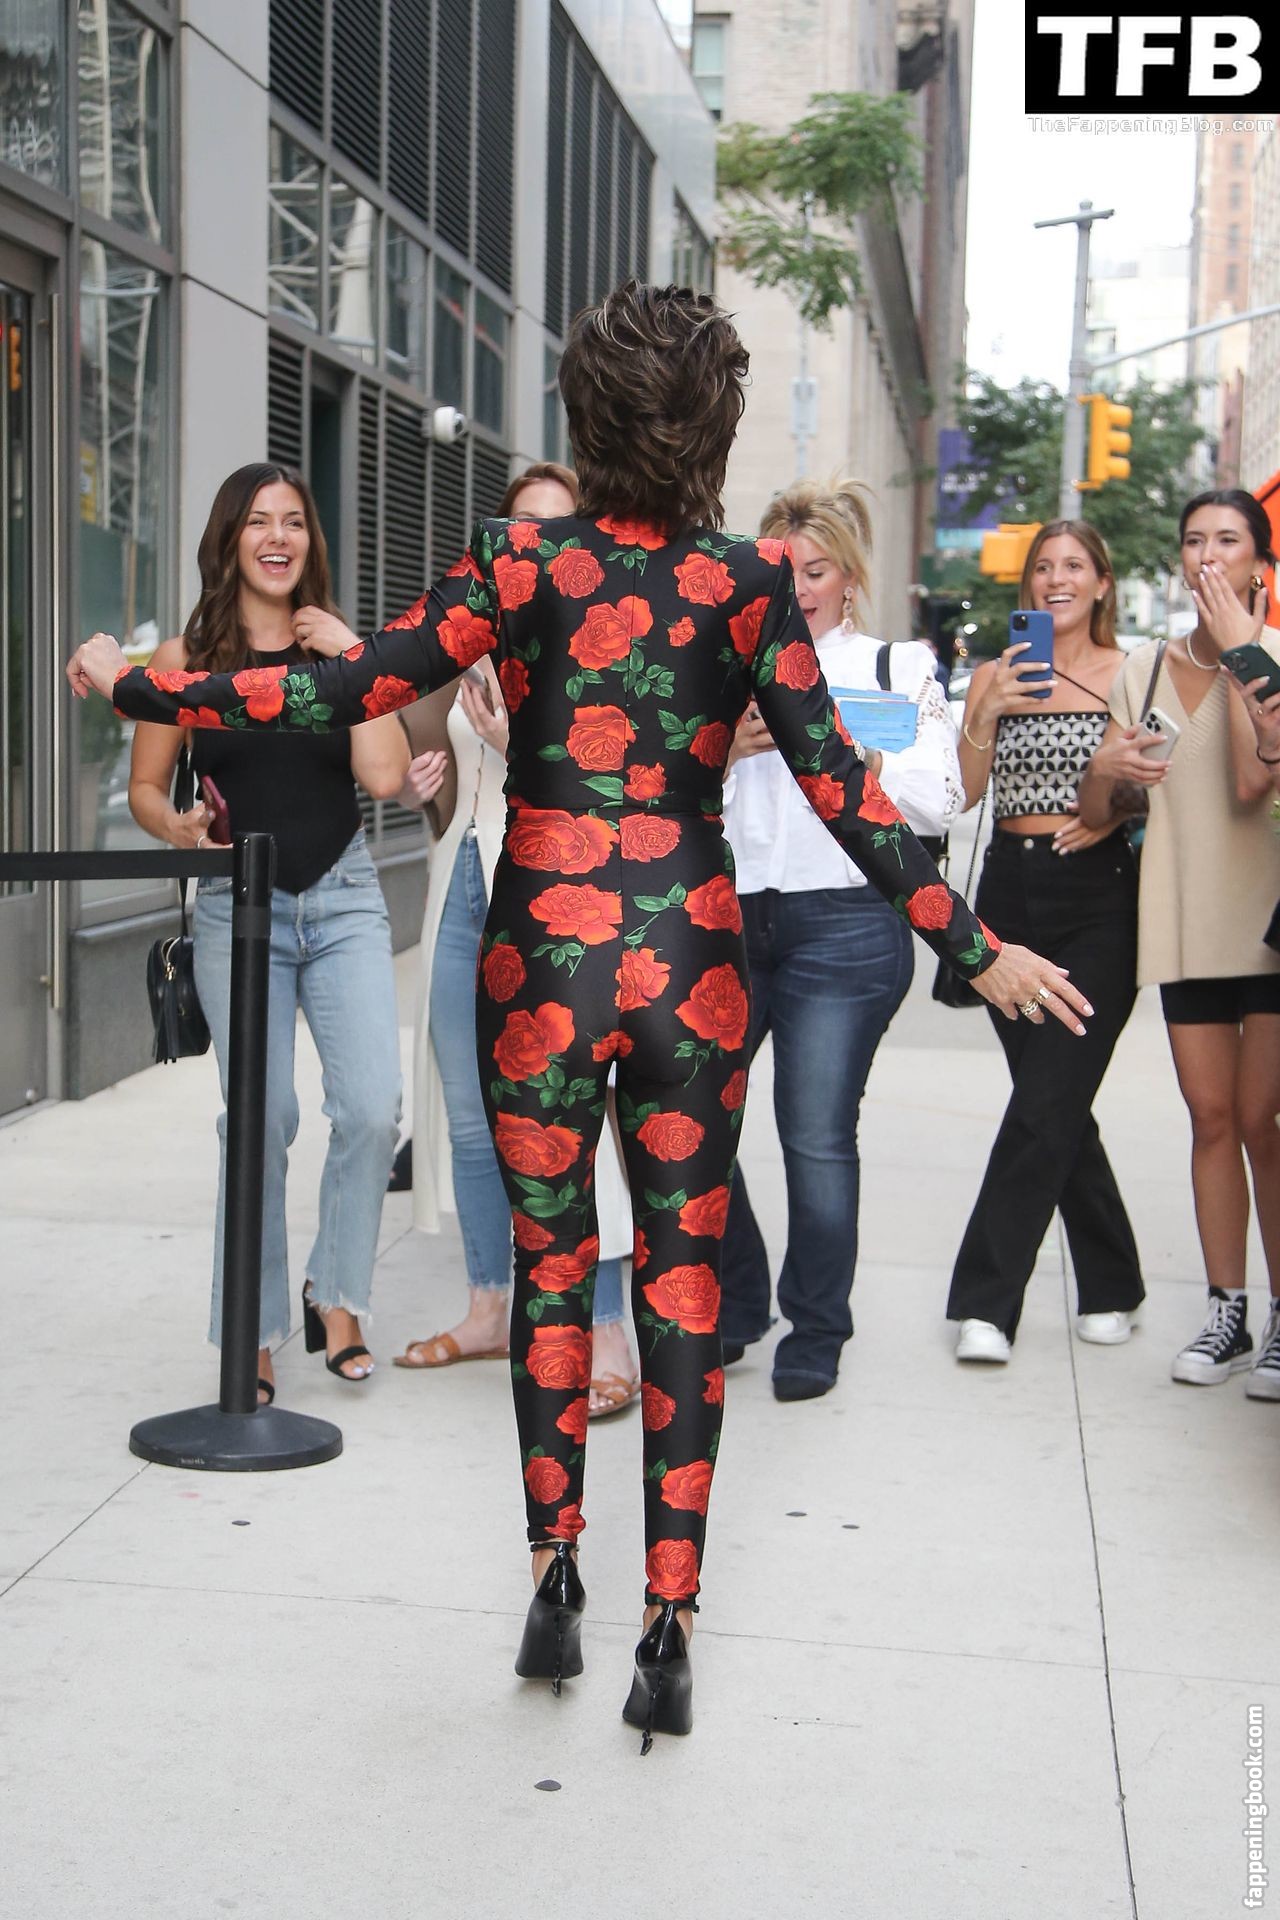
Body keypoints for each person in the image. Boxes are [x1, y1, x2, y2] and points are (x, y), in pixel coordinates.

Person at [72, 281, 1090, 1748]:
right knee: (679, 1280)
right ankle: (668, 1619)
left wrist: (141, 690)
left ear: (589, 410)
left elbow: (340, 687)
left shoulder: (520, 561)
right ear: (714, 425)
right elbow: (845, 792)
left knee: (554, 1270)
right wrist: (973, 946)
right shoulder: (748, 580)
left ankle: (555, 1572)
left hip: (544, 954)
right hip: (691, 954)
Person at [126, 464, 407, 1399]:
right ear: (230, 539)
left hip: (344, 896)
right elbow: (145, 788)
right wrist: (177, 828)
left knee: (371, 1109)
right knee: (262, 1118)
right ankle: (248, 1324)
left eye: (293, 521)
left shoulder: (337, 649)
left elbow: (385, 778)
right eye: (258, 521)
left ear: (309, 541)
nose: (277, 537)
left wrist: (356, 658)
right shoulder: (189, 656)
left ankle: (338, 1293)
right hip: (235, 907)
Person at [395, 460, 641, 1417]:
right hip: (461, 877)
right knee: (469, 1116)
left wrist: (512, 748)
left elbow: (612, 787)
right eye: (523, 524)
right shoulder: (474, 635)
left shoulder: (608, 643)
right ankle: (491, 1307)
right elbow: (438, 763)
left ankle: (606, 1327)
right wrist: (428, 784)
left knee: (577, 1118)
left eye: (558, 524)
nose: (539, 541)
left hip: (552, 895)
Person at [719, 477, 963, 1399]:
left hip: (846, 922)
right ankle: (738, 1300)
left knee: (814, 1133)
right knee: (689, 1120)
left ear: (849, 578)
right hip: (728, 916)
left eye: (816, 571)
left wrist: (862, 763)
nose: (800, 588)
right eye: (783, 571)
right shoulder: (725, 662)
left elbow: (941, 800)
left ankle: (816, 1325)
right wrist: (728, 750)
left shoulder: (897, 668)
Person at [1080, 489, 1280, 1394]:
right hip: (1182, 916)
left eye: (1228, 541)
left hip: (1266, 924)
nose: (1208, 555)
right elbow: (1107, 807)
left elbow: (1249, 784)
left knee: (1262, 1121)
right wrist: (1105, 770)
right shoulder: (1145, 669)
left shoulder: (1271, 661)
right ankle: (1225, 1311)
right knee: (1210, 1120)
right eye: (1194, 539)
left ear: (1259, 567)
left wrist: (1243, 647)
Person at [944, 521, 1145, 1364]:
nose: (1056, 579)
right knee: (1053, 1101)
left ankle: (987, 1305)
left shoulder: (1133, 673)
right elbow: (962, 792)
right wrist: (985, 712)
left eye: (1074, 566)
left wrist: (1110, 808)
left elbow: (1155, 780)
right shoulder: (997, 672)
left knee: (1046, 1100)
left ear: (1102, 582)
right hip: (1009, 899)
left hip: (1100, 901)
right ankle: (1113, 1283)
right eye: (1043, 568)